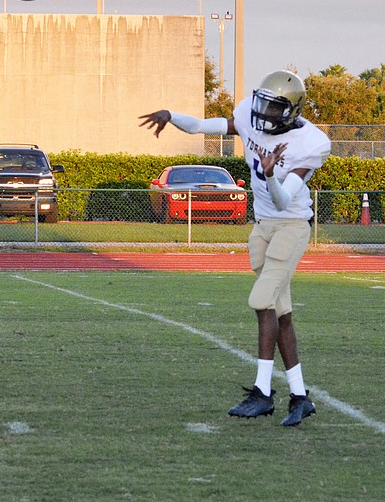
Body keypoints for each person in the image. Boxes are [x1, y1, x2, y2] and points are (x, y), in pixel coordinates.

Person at [138, 70, 331, 427]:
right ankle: (300, 397)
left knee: (260, 302)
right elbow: (199, 126)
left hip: (290, 225)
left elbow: (285, 196)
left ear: (290, 110)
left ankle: (262, 393)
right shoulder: (248, 116)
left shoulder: (312, 143)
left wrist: (271, 174)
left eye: (273, 107)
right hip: (262, 227)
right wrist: (172, 116)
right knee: (280, 312)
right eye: (263, 103)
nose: (262, 113)